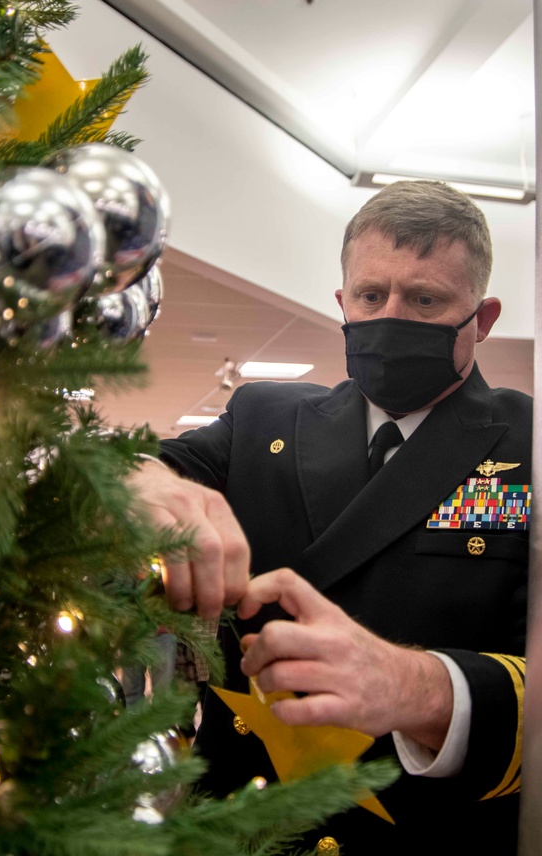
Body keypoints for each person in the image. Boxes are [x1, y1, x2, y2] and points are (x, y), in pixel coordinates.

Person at [131, 180, 528, 854]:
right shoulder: (263, 418)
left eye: (425, 299)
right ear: (343, 303)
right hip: (240, 826)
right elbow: (132, 466)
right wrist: (139, 480)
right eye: (372, 297)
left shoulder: (531, 445)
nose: (391, 315)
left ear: (482, 319)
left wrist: (415, 687)